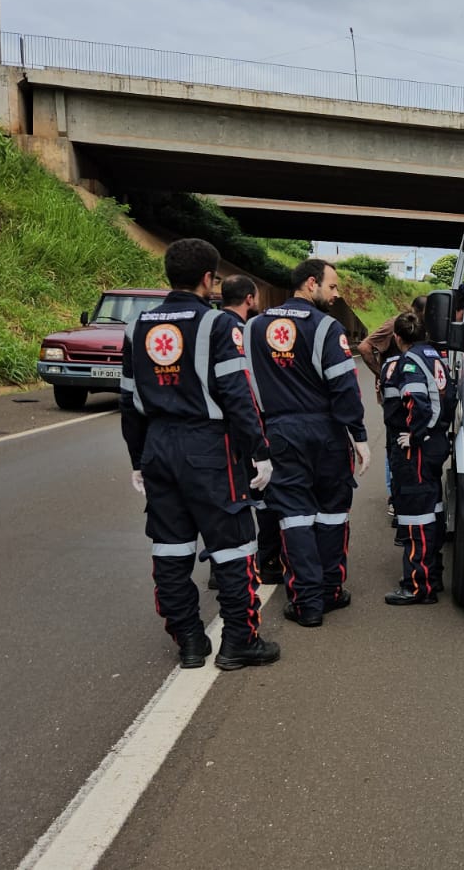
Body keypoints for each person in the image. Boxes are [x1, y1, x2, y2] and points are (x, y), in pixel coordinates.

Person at [119, 239, 279, 671]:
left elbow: (129, 402)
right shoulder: (216, 326)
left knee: (170, 549)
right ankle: (239, 642)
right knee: (233, 547)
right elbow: (238, 395)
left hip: (157, 447)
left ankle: (189, 641)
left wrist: (138, 459)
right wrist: (259, 451)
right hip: (209, 449)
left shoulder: (137, 328)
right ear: (210, 279)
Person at [247, 259, 371, 628]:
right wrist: (358, 434)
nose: (336, 295)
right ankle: (331, 590)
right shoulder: (326, 328)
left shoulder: (254, 327)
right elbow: (344, 385)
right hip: (326, 431)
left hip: (279, 432)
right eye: (332, 287)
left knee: (294, 516)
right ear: (311, 283)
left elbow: (244, 388)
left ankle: (306, 603)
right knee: (332, 511)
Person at [381, 311, 454, 605]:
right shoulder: (435, 356)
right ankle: (432, 576)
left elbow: (418, 401)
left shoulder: (409, 361)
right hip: (435, 444)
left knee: (415, 513)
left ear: (398, 338)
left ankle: (416, 585)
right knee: (432, 509)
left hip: (417, 448)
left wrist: (414, 434)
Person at [217, 274, 284, 588]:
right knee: (266, 496)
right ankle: (269, 563)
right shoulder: (248, 334)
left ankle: (222, 570)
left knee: (225, 500)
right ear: (250, 299)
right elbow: (247, 391)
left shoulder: (208, 330)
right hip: (252, 425)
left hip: (215, 432)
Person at [356, 295, 428, 532]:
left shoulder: (423, 327)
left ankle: (407, 490)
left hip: (414, 394)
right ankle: (394, 497)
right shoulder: (393, 325)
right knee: (394, 444)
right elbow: (364, 346)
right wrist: (381, 374)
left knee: (411, 440)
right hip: (394, 399)